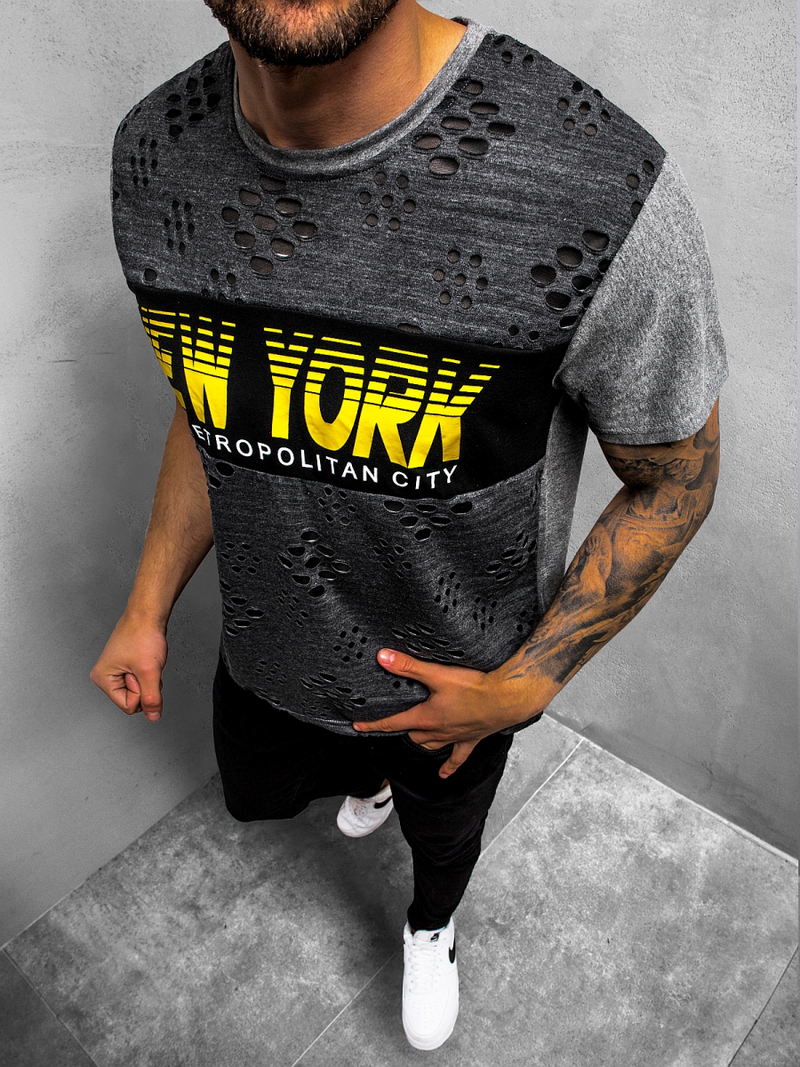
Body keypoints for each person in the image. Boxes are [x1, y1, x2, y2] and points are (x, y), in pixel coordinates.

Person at [91, 0, 727, 1051]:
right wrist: (146, 605)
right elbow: (215, 400)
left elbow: (673, 481)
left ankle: (432, 925)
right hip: (268, 656)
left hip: (457, 687)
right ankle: (366, 778)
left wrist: (526, 686)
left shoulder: (595, 187)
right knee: (265, 793)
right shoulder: (154, 155)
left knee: (444, 845)